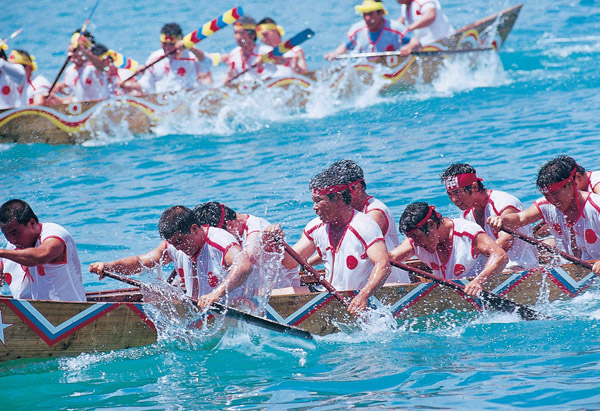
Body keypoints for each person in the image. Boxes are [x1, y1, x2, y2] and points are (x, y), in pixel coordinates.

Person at [271, 166, 392, 315]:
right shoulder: (316, 227)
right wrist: (277, 242)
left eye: (318, 201)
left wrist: (363, 296)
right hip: (329, 295)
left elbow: (383, 265)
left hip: (354, 298)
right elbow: (290, 263)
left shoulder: (364, 226)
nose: (314, 208)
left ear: (338, 198)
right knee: (272, 295)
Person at [89, 206, 254, 309]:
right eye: (173, 243)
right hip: (201, 310)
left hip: (237, 308)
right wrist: (110, 266)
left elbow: (245, 265)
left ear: (194, 229)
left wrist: (215, 294)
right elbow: (142, 262)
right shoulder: (173, 245)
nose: (178, 248)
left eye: (180, 241)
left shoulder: (220, 241)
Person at [487, 156, 600, 275]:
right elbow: (520, 218)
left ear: (570, 184)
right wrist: (502, 219)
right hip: (569, 269)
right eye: (547, 195)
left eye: (555, 193)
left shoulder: (595, 206)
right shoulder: (546, 205)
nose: (552, 200)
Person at [390, 202, 508, 296]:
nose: (415, 243)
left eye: (417, 237)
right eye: (411, 238)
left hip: (480, 290)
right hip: (451, 295)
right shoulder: (415, 242)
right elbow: (389, 259)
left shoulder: (467, 232)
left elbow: (500, 256)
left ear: (431, 225)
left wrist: (479, 281)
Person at [440, 163, 538, 270]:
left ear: (474, 187)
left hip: (520, 267)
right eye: (450, 194)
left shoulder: (503, 203)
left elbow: (506, 242)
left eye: (457, 192)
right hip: (496, 268)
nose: (454, 199)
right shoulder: (466, 213)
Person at [329, 159, 410, 283]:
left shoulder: (375, 212)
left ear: (358, 187)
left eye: (341, 192)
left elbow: (349, 244)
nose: (338, 197)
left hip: (389, 283)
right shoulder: (348, 213)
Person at [194, 202, 301, 291]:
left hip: (282, 291)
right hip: (253, 293)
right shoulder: (233, 229)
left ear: (230, 225)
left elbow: (247, 261)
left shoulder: (257, 228)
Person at [0, 199, 86, 301]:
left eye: (15, 233)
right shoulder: (14, 244)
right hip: (38, 308)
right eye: (6, 235)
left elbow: (40, 257)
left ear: (32, 223)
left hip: (72, 309)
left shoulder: (55, 235)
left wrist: (2, 252)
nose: (12, 240)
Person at [324, 0, 420, 61]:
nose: (367, 18)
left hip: (390, 67)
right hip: (366, 68)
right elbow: (344, 47)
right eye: (364, 14)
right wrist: (335, 54)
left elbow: (415, 40)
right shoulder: (357, 29)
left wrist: (409, 47)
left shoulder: (395, 27)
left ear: (381, 13)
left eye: (370, 14)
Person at [138, 23, 212, 94]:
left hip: (189, 97)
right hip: (165, 99)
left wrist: (190, 47)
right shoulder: (154, 58)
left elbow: (207, 63)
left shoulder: (191, 56)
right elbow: (147, 86)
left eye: (171, 44)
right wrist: (132, 84)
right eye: (164, 44)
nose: (167, 48)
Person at [53, 30, 111, 103]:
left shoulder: (93, 67)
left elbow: (104, 68)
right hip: (82, 106)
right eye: (70, 44)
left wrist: (85, 51)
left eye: (76, 47)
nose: (71, 48)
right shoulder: (69, 70)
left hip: (100, 105)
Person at [224, 16, 277, 84]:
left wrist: (266, 57)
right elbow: (228, 79)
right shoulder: (233, 54)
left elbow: (283, 61)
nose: (238, 37)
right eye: (236, 33)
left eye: (242, 33)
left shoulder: (267, 51)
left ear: (253, 35)